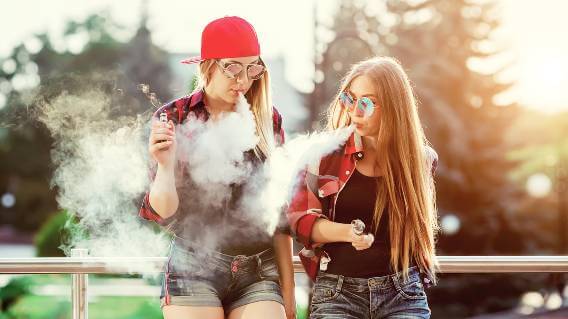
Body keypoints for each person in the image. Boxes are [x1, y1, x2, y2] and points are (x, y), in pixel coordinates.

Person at [139, 16, 295, 319]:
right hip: (193, 266)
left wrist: (288, 294)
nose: (243, 80)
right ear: (207, 66)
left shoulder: (268, 119)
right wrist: (165, 166)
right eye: (233, 68)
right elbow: (163, 210)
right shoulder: (174, 117)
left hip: (258, 271)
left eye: (252, 68)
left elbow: (279, 214)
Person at [287, 56, 438, 319]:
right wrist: (349, 233)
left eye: (367, 102)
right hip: (338, 293)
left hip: (403, 292)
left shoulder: (421, 160)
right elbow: (301, 222)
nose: (355, 111)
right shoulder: (322, 156)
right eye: (350, 99)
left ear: (394, 107)